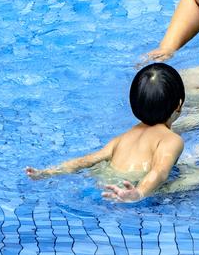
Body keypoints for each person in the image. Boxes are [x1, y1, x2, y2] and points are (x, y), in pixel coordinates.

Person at [25, 63, 190, 202]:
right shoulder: (171, 140)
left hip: (103, 179)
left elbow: (88, 160)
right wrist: (139, 193)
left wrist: (49, 172)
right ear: (179, 104)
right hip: (134, 183)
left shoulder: (124, 137)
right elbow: (160, 171)